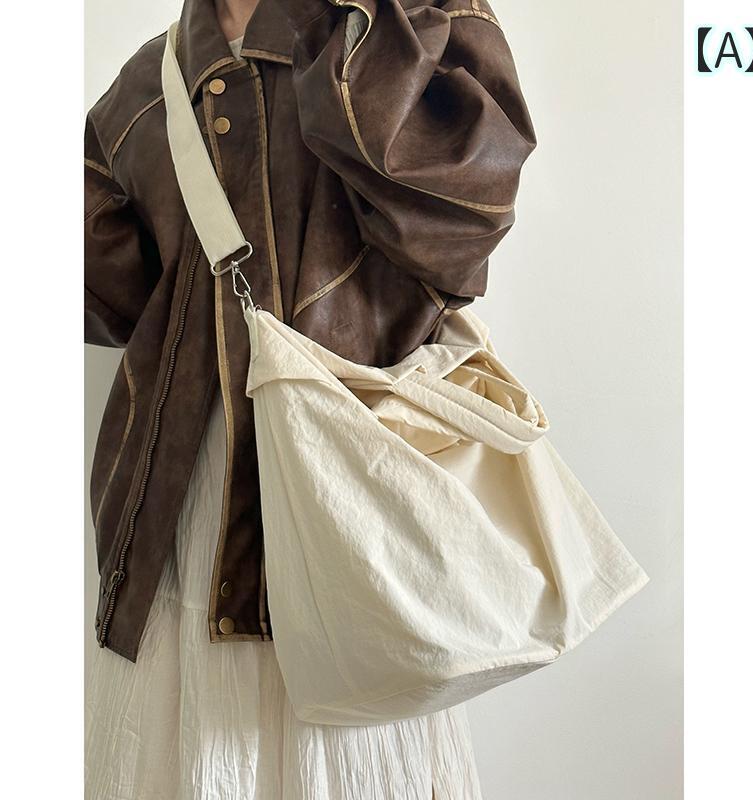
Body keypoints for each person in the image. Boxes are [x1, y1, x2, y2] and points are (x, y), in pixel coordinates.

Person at [84, 0, 537, 797]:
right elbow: (115, 302)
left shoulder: (407, 23)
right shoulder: (142, 89)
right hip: (187, 520)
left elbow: (467, 220)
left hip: (359, 501)